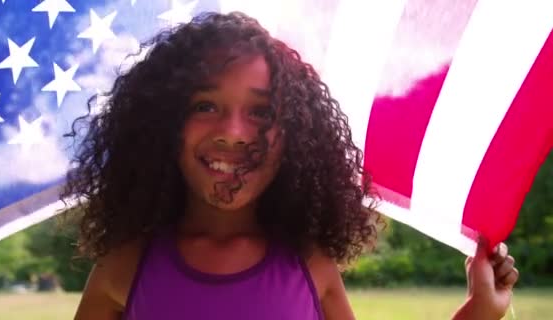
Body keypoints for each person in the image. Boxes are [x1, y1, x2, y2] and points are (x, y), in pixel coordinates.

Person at [63, 11, 519, 320]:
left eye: (261, 112)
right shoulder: (125, 265)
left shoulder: (309, 263)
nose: (234, 132)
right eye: (204, 105)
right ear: (161, 124)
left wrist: (477, 312)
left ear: (298, 138)